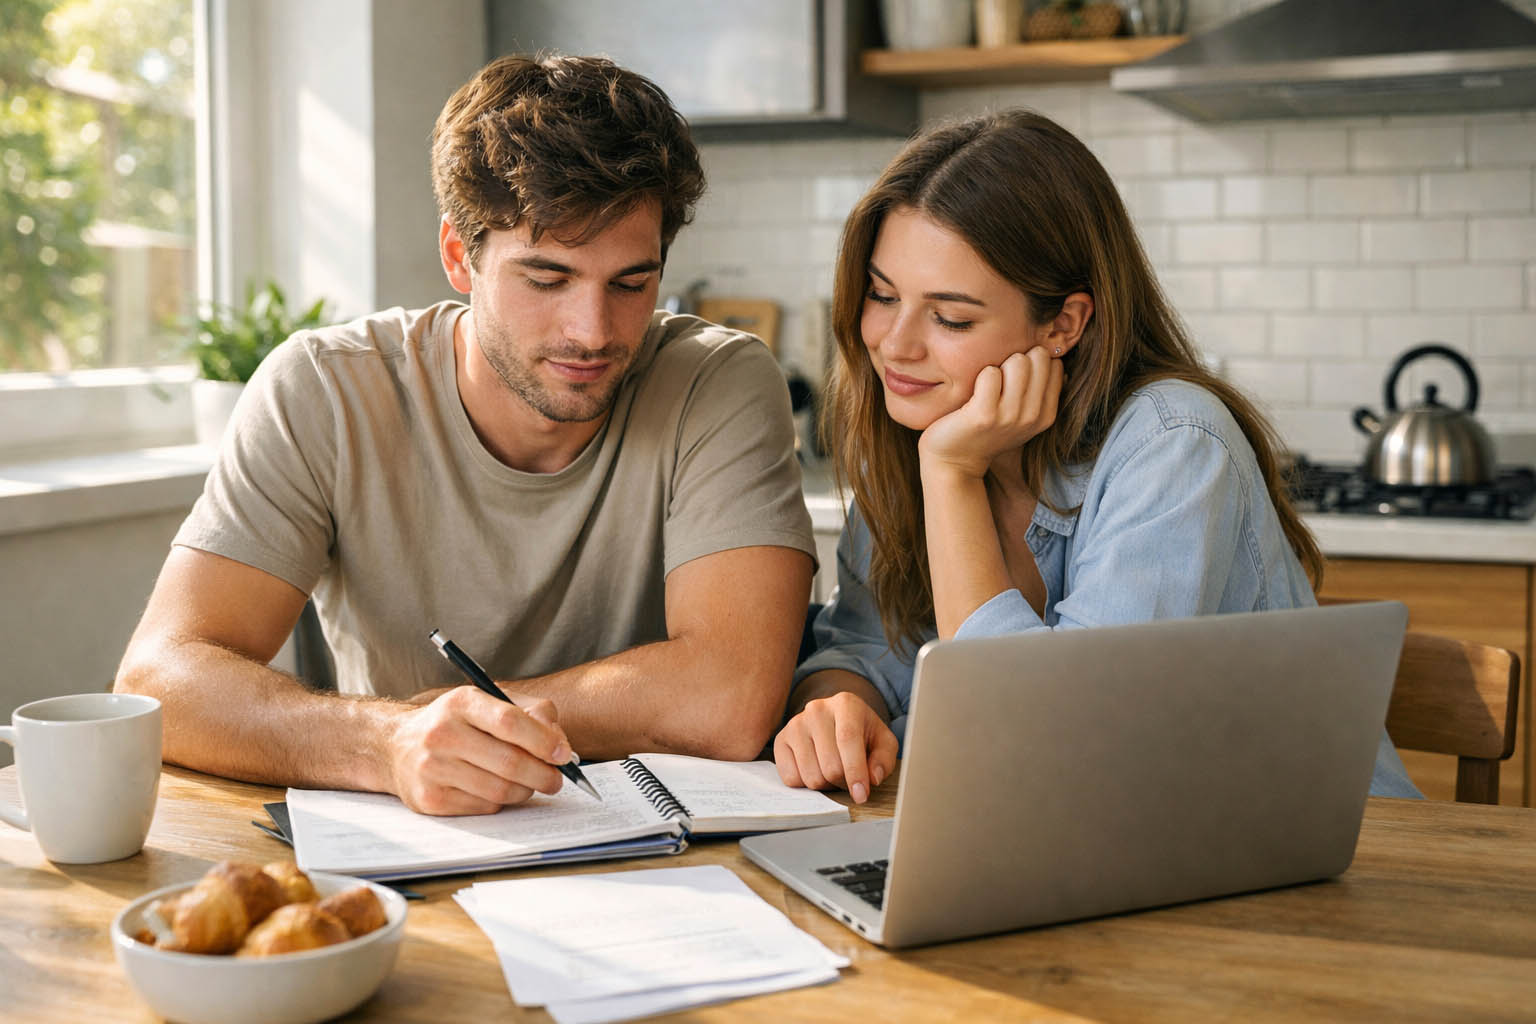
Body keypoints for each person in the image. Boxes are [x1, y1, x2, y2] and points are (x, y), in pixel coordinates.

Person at [115, 55, 816, 816]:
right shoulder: (323, 388)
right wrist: (385, 743)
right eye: (546, 279)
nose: (593, 331)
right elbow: (159, 681)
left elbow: (732, 695)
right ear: (460, 255)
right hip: (416, 846)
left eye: (631, 283)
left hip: (660, 856)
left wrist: (454, 723)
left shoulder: (718, 381)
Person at [772, 109, 1419, 804]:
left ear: (1063, 324)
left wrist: (952, 477)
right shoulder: (915, 428)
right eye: (881, 294)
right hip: (1104, 855)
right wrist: (836, 709)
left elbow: (1056, 743)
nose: (894, 343)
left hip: (1326, 864)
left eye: (950, 317)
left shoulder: (1174, 444)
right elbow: (865, 645)